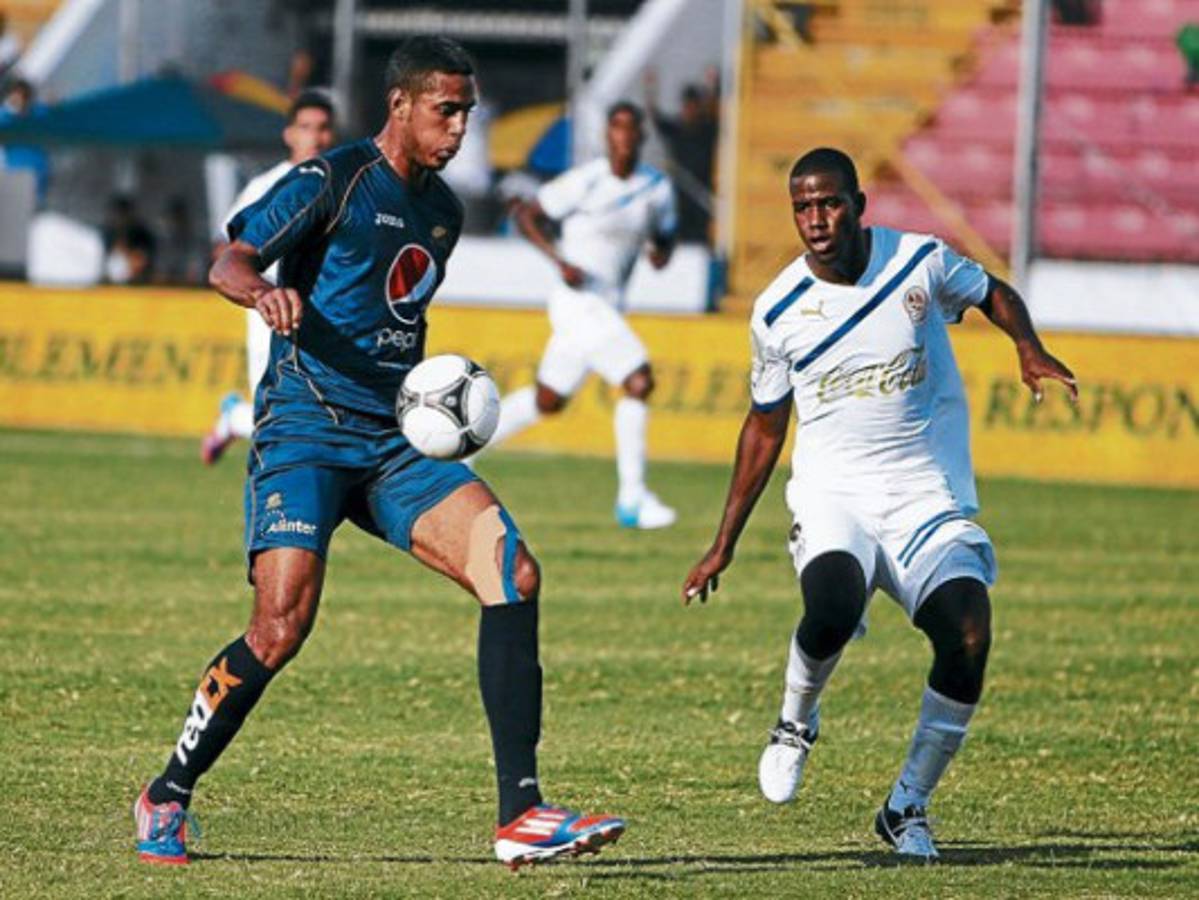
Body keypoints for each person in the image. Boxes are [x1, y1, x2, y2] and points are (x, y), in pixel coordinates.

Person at [133, 36, 625, 870]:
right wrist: (264, 291)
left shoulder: (444, 212)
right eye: (447, 109)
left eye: (467, 110)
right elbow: (230, 258)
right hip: (304, 432)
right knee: (280, 627)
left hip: (394, 444)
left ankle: (522, 816)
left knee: (514, 571)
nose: (461, 126)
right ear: (400, 105)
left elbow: (397, 314)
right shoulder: (333, 179)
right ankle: (167, 792)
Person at [681, 148, 1077, 860]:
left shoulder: (918, 261)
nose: (815, 219)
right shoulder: (776, 311)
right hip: (834, 494)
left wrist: (1027, 346)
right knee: (831, 606)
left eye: (828, 202)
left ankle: (906, 807)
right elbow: (765, 425)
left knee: (966, 636)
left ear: (859, 204)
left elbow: (991, 290)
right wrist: (723, 543)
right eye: (801, 207)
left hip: (923, 494)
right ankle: (794, 722)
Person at [487, 101, 679, 530]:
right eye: (617, 128)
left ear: (641, 138)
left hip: (606, 307)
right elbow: (527, 215)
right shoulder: (586, 181)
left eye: (632, 129)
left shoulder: (657, 189)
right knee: (638, 380)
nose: (624, 137)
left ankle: (460, 450)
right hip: (577, 302)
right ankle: (632, 498)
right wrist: (560, 262)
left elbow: (663, 248)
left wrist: (660, 249)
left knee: (547, 401)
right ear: (607, 136)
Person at [200, 90, 336, 465]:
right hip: (271, 309)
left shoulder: (341, 185)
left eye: (324, 128)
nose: (316, 137)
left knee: (317, 413)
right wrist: (259, 287)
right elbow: (223, 250)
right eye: (307, 127)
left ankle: (233, 417)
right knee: (277, 413)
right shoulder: (268, 186)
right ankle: (233, 417)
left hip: (322, 311)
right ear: (290, 134)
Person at [644, 66, 719, 245]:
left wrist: (712, 85)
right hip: (679, 192)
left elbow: (714, 111)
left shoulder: (706, 129)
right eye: (687, 106)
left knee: (700, 235)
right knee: (677, 230)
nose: (690, 110)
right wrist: (650, 88)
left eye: (694, 106)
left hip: (701, 192)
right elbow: (654, 116)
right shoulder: (676, 129)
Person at [102, 194, 156, 284]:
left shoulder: (140, 234)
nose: (120, 219)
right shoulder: (108, 235)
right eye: (117, 214)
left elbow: (141, 260)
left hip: (138, 285)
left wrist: (130, 256)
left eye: (123, 214)